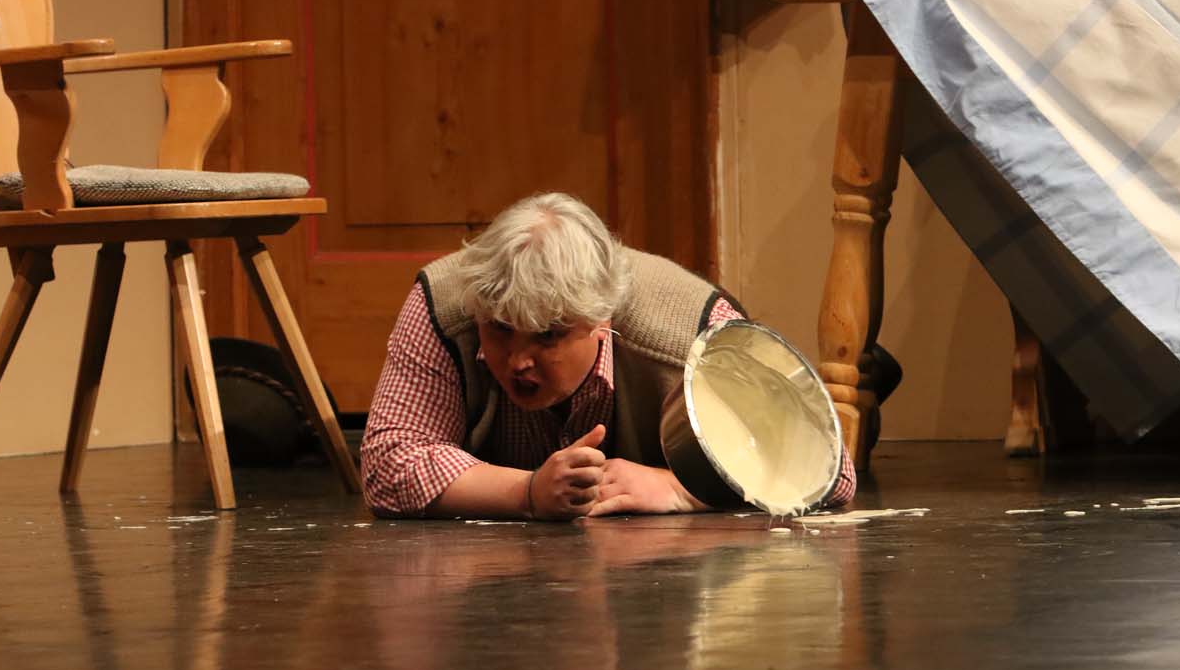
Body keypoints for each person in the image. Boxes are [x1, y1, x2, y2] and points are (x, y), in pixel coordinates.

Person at [361, 192, 856, 520]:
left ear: (601, 320)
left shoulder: (690, 329)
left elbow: (829, 474)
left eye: (548, 336)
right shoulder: (449, 303)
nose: (518, 361)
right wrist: (528, 493)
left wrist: (682, 489)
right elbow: (388, 463)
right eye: (501, 331)